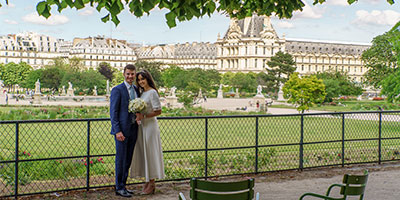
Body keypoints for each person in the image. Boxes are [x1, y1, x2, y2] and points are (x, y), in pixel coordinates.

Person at [131, 70, 165, 195]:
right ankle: (147, 180)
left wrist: (143, 116)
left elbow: (158, 111)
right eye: (139, 80)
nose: (140, 81)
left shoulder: (152, 93)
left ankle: (151, 182)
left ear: (148, 79)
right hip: (142, 127)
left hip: (150, 126)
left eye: (142, 79)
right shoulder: (141, 93)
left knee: (150, 152)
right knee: (144, 152)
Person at [110, 64, 140, 198]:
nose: (130, 76)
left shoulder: (136, 89)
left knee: (128, 160)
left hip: (134, 129)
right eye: (128, 74)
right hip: (121, 131)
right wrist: (117, 131)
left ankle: (124, 185)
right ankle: (119, 187)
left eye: (132, 74)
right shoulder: (117, 90)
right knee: (121, 160)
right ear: (124, 74)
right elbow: (113, 112)